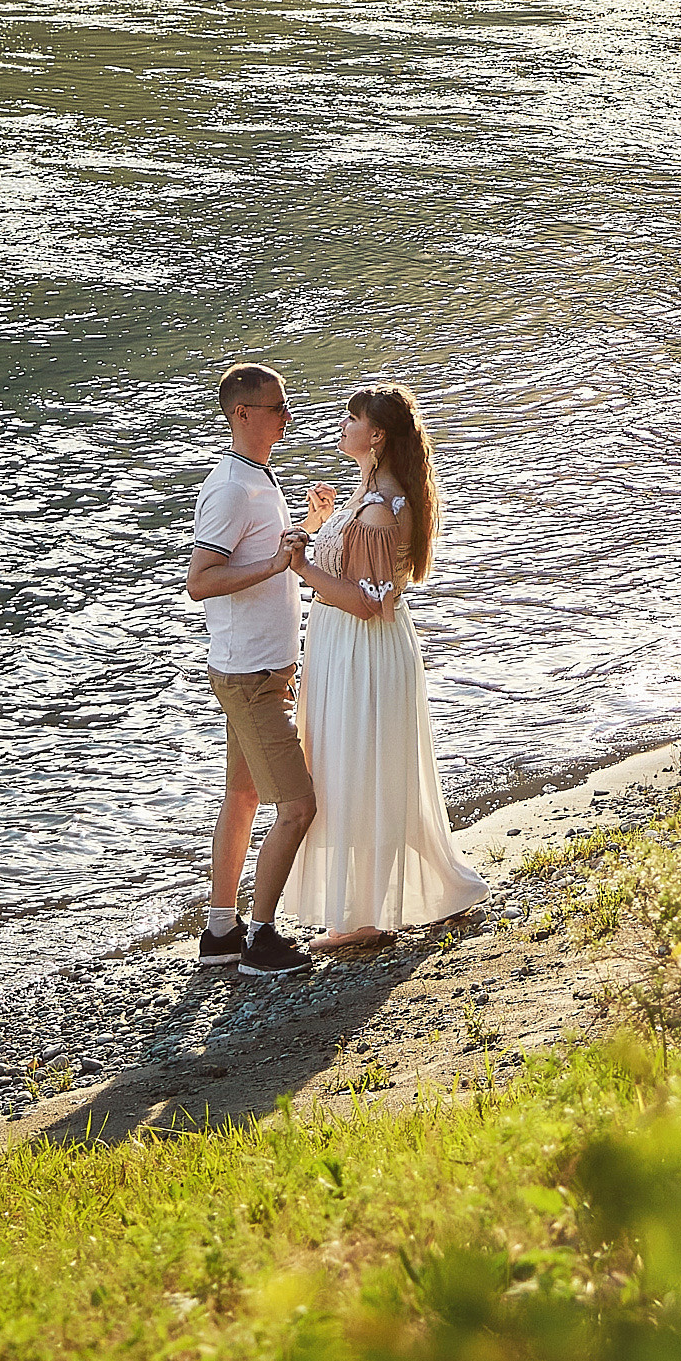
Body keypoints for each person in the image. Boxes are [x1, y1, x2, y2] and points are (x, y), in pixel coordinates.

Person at [282, 380, 487, 942]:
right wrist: (317, 524)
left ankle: (364, 917)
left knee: (356, 769)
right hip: (348, 646)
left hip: (360, 648)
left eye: (350, 420)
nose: (341, 428)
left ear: (375, 435)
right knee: (351, 766)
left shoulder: (380, 507)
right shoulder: (370, 495)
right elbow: (353, 573)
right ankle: (366, 906)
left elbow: (369, 602)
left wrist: (300, 566)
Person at [186, 362, 318, 976]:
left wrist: (306, 531)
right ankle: (262, 941)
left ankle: (220, 931)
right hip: (249, 676)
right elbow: (202, 581)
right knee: (296, 805)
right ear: (242, 413)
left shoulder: (259, 479)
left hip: (262, 669)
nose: (287, 415)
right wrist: (271, 568)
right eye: (276, 405)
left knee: (243, 796)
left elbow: (265, 552)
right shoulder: (232, 488)